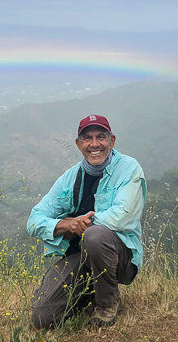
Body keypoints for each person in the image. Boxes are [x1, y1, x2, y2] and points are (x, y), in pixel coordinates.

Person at [27, 114, 146, 328]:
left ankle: (107, 305)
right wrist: (65, 224)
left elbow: (124, 216)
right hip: (81, 258)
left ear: (112, 141)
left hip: (121, 257)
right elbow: (34, 221)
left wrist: (82, 224)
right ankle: (87, 293)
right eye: (87, 138)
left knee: (94, 235)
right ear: (78, 144)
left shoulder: (129, 168)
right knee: (43, 318)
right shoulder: (70, 178)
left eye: (101, 137)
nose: (94, 144)